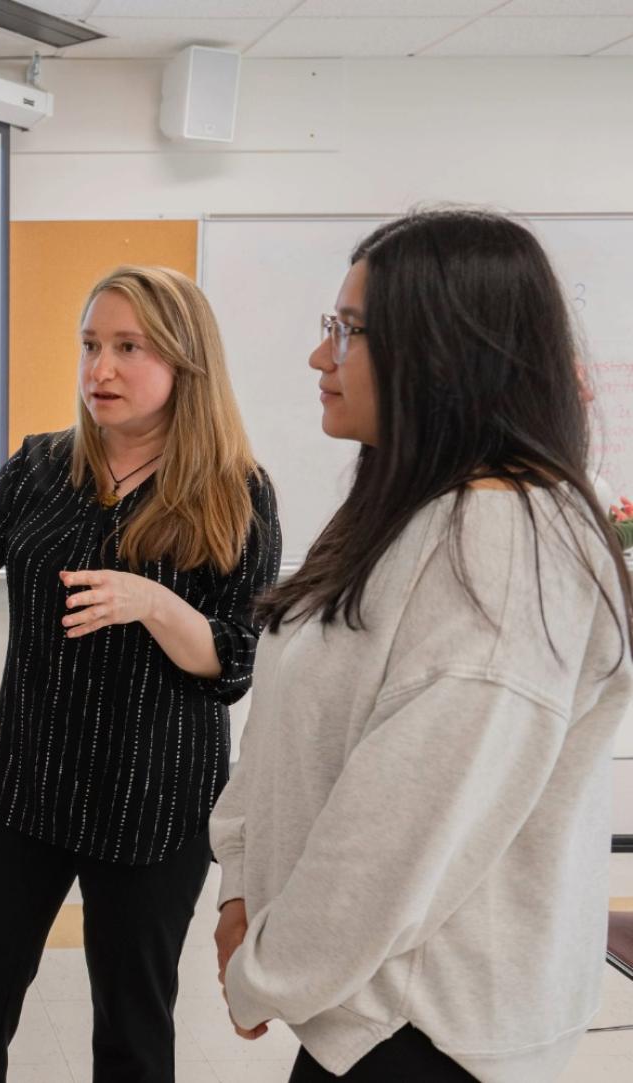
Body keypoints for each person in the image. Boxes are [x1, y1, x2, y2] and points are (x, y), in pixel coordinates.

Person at [211, 208, 633, 1082]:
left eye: (349, 332)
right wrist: (243, 879)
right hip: (362, 1010)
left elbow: (396, 829)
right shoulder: (409, 506)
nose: (321, 356)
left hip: (429, 1036)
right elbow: (288, 694)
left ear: (445, 351)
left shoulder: (504, 543)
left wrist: (267, 973)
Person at [0, 266, 280, 1081]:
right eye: (91, 345)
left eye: (129, 347)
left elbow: (234, 660)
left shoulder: (239, 491)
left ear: (186, 363)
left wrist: (152, 602)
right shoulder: (42, 465)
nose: (100, 369)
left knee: (131, 1030)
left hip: (154, 801)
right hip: (26, 787)